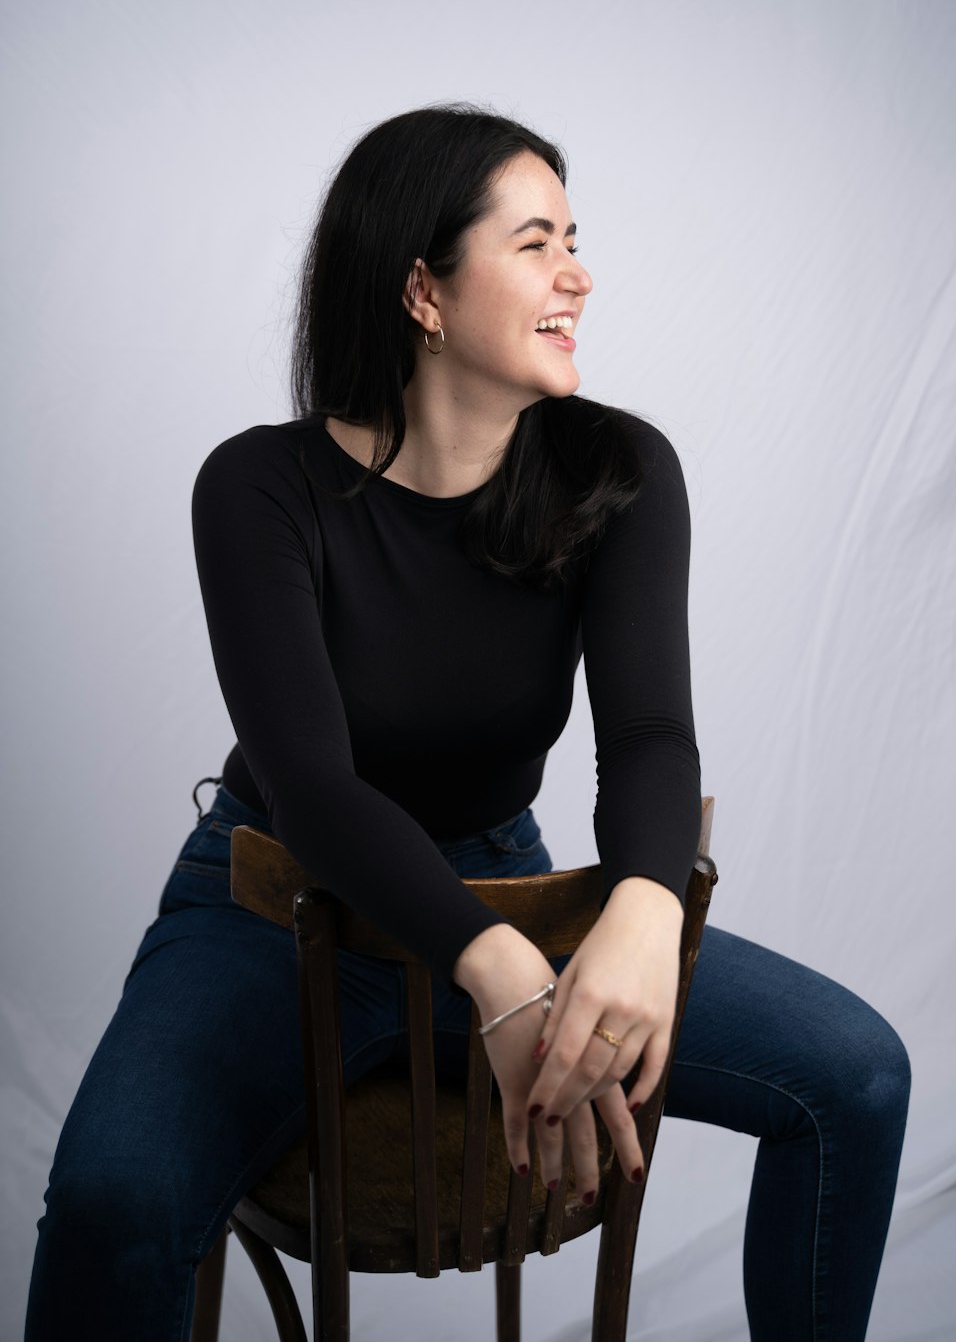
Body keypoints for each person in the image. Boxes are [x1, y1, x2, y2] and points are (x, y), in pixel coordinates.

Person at [25, 105, 910, 1342]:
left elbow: (648, 737)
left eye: (575, 238)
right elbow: (313, 784)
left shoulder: (620, 470)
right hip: (278, 912)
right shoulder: (259, 487)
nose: (579, 274)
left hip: (507, 884)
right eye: (536, 241)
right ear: (422, 291)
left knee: (854, 1076)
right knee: (115, 1198)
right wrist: (498, 973)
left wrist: (646, 911)